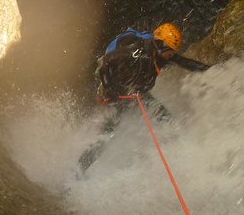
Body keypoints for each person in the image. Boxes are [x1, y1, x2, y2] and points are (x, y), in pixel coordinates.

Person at [78, 23, 210, 173]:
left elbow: (186, 63)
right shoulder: (136, 52)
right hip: (115, 96)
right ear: (161, 44)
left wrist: (210, 69)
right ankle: (80, 168)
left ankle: (183, 152)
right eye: (170, 51)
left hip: (136, 94)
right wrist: (110, 92)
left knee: (166, 117)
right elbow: (103, 64)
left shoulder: (161, 55)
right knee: (108, 134)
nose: (172, 54)